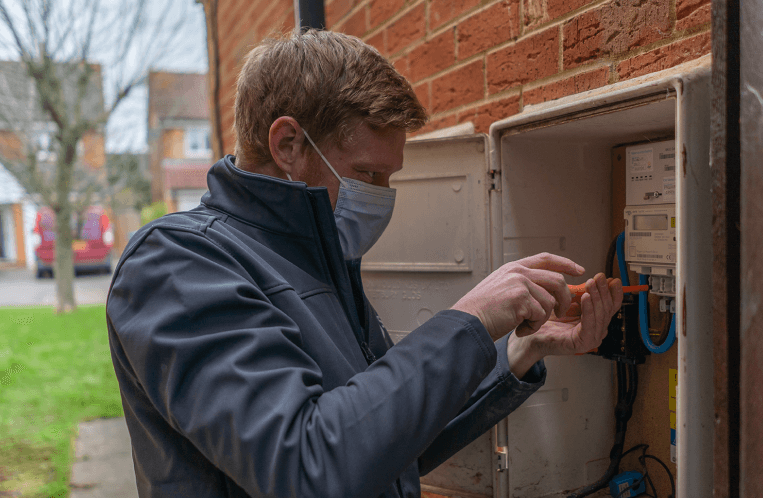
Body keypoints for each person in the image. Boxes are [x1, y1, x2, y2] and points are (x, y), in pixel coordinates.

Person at [106, 29, 623, 498]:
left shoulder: (323, 263)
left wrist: (518, 351)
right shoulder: (178, 265)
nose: (382, 196)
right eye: (367, 174)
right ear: (287, 144)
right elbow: (307, 468)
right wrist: (470, 320)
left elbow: (386, 443)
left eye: (388, 179)